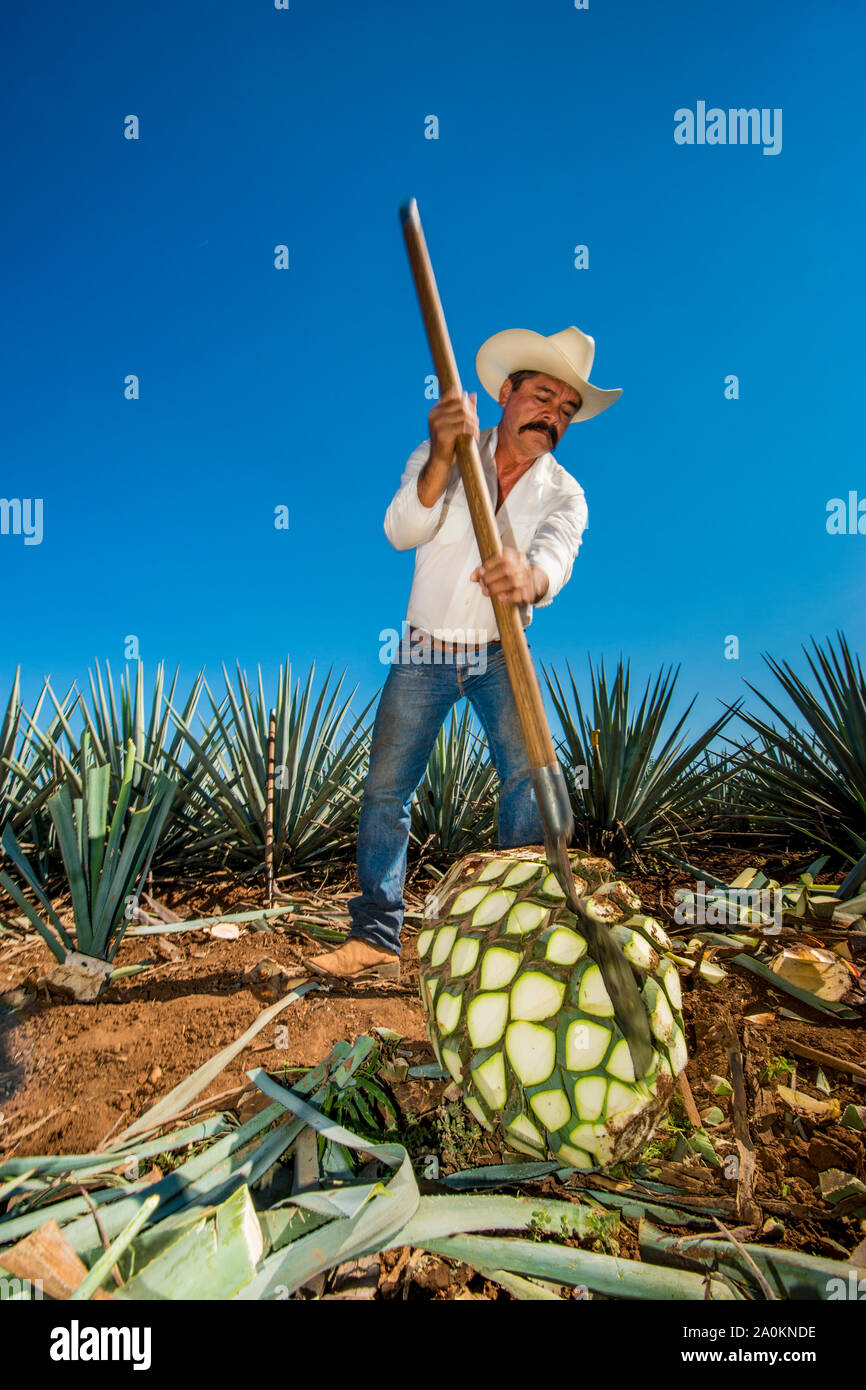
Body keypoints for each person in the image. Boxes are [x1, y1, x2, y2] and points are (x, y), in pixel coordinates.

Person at [305, 326, 621, 983]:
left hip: (504, 651)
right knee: (388, 790)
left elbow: (555, 558)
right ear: (506, 393)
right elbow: (400, 530)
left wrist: (529, 579)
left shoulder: (565, 493)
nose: (553, 417)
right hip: (422, 648)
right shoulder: (441, 452)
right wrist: (445, 455)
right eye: (542, 398)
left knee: (530, 780)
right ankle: (373, 939)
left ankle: (522, 936)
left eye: (567, 410)